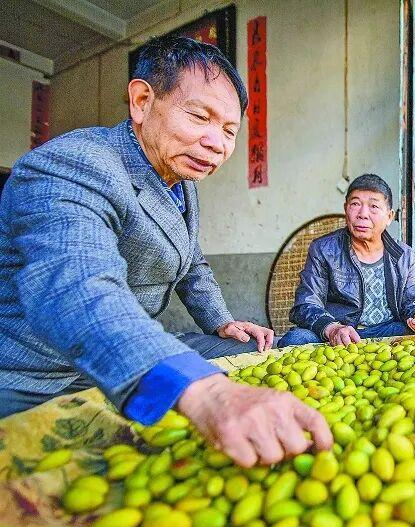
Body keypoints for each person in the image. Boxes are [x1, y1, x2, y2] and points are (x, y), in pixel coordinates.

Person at [0, 36, 332, 466]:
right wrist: (207, 391)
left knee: (261, 355)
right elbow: (76, 287)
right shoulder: (74, 164)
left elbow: (191, 261)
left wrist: (222, 322)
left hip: (141, 345)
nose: (217, 143)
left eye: (230, 131)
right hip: (40, 377)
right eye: (200, 117)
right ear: (141, 101)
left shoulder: (180, 183)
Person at [280, 174, 415, 346]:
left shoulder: (404, 255)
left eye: (374, 206)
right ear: (345, 208)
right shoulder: (324, 249)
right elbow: (305, 304)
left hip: (387, 330)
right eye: (355, 204)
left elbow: (413, 301)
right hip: (341, 331)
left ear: (389, 216)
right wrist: (332, 328)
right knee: (296, 340)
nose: (363, 214)